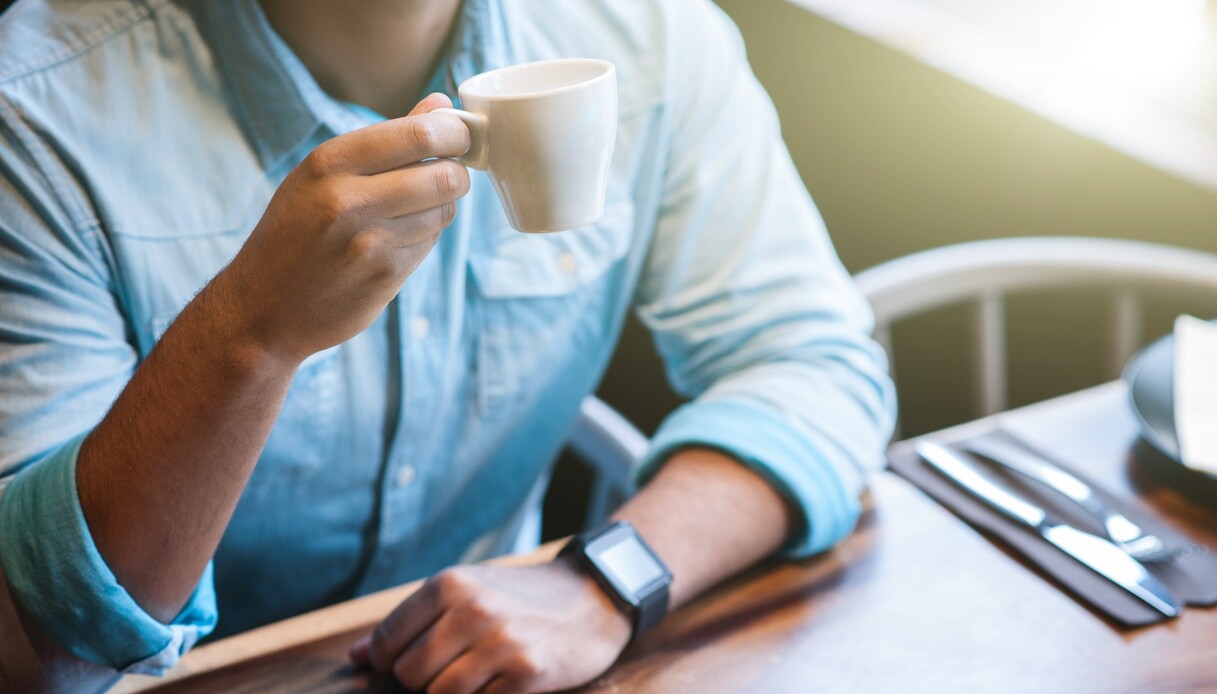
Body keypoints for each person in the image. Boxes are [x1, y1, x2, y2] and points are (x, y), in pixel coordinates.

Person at [0, 0, 895, 691]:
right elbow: (37, 644)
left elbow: (812, 363)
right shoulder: (36, 107)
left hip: (499, 663)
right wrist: (250, 333)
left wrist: (605, 579)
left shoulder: (646, 34)